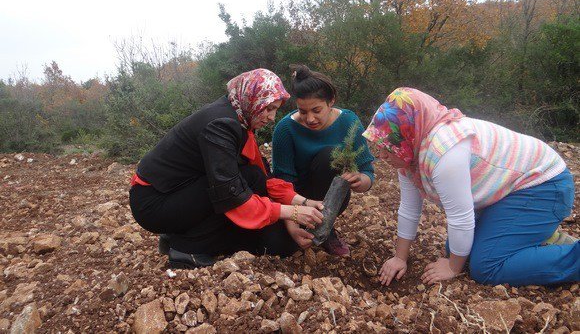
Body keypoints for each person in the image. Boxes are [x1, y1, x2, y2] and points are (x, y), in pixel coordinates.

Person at [363, 87, 578, 286]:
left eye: (389, 148)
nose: (382, 156)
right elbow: (410, 208)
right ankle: (539, 237)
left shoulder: (444, 152)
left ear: (408, 136)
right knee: (457, 249)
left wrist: (452, 267)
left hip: (544, 186)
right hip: (508, 192)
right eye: (379, 146)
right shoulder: (409, 154)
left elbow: (461, 218)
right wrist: (400, 258)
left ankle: (566, 252)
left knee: (485, 266)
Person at [129, 68, 324, 269]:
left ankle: (181, 233)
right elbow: (230, 195)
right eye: (268, 108)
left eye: (275, 109)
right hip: (154, 203)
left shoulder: (239, 118)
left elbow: (260, 175)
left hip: (177, 193)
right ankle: (186, 249)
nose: (272, 117)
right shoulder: (221, 125)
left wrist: (303, 201)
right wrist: (291, 213)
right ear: (252, 98)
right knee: (237, 194)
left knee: (253, 178)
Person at [272, 65, 375, 256]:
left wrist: (360, 180)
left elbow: (367, 171)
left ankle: (326, 229)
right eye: (303, 112)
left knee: (329, 155)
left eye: (316, 110)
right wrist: (292, 223)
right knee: (281, 246)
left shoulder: (349, 122)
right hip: (297, 199)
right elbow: (282, 183)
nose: (310, 118)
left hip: (333, 196)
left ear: (331, 102)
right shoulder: (285, 129)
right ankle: (306, 227)